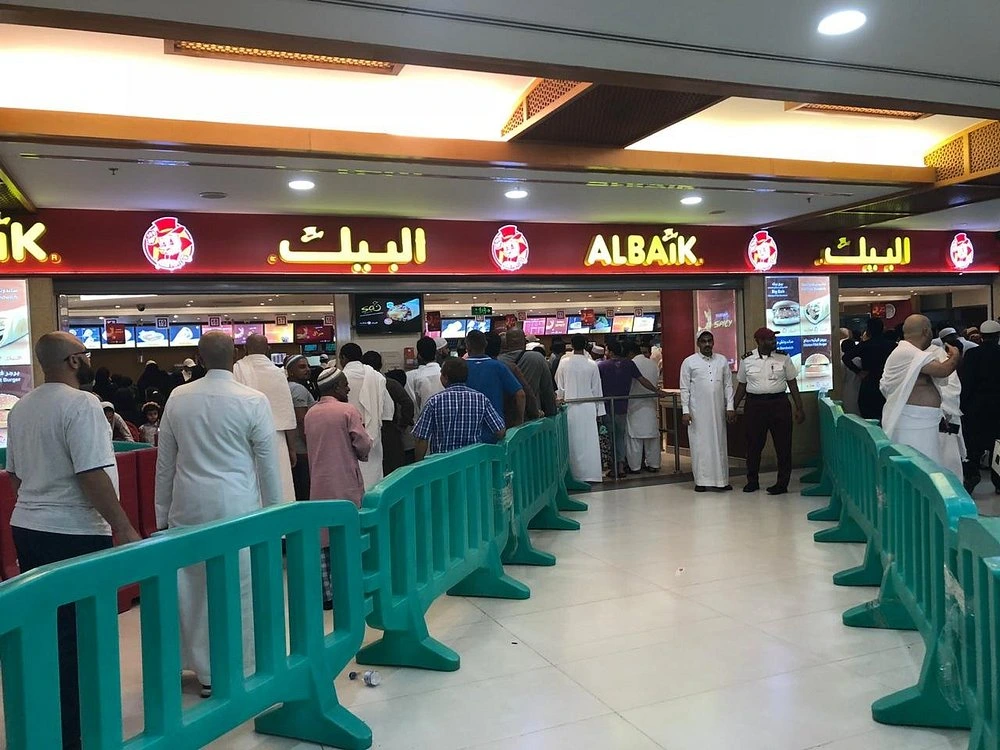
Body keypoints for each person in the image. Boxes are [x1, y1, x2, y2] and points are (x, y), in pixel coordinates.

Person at [7, 331, 141, 749]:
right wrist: (122, 525)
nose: (87, 361)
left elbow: (15, 474)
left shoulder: (21, 407)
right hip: (76, 532)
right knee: (82, 637)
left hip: (28, 527)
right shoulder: (81, 404)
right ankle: (75, 731)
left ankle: (48, 724)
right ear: (71, 361)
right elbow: (91, 473)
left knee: (47, 631)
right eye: (84, 355)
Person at [155, 331, 281, 698]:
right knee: (239, 587)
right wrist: (274, 514)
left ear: (199, 356)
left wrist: (161, 514)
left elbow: (165, 463)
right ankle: (238, 667)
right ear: (236, 355)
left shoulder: (178, 398)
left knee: (191, 587)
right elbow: (268, 465)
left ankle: (201, 668)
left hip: (188, 504)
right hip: (237, 507)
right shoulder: (253, 400)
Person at [304, 367, 373, 608]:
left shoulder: (311, 413)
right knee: (349, 534)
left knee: (324, 537)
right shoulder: (347, 410)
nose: (348, 388)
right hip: (345, 481)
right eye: (344, 385)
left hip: (319, 484)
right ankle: (350, 587)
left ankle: (328, 594)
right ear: (335, 388)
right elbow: (362, 443)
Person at [880, 315, 963, 478]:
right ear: (926, 331)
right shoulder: (906, 352)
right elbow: (943, 370)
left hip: (923, 422)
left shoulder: (912, 353)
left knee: (928, 466)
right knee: (919, 470)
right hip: (911, 423)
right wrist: (955, 356)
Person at [733, 327, 804, 495]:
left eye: (774, 338)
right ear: (759, 341)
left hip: (779, 403)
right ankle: (752, 481)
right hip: (755, 405)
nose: (773, 342)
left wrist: (799, 408)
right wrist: (732, 408)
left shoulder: (784, 357)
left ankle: (782, 483)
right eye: (769, 339)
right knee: (753, 445)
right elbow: (742, 386)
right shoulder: (747, 359)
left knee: (783, 445)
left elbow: (792, 384)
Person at [234, 334, 298, 503]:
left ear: (244, 349)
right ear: (268, 349)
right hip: (276, 438)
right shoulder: (278, 373)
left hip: (245, 438)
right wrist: (292, 448)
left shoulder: (237, 369)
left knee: (252, 485)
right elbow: (287, 414)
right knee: (280, 482)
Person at [597, 339, 667, 479]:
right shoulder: (629, 364)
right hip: (623, 406)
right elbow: (642, 380)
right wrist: (656, 391)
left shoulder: (602, 366)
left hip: (606, 407)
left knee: (611, 437)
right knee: (621, 437)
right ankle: (621, 466)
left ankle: (615, 467)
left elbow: (596, 385)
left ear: (610, 352)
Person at [412, 357, 505, 458]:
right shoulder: (481, 399)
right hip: (472, 461)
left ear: (445, 377)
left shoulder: (434, 401)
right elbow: (500, 431)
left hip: (442, 464)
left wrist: (419, 464)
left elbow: (421, 438)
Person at [680, 331, 736, 491]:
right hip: (697, 413)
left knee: (719, 444)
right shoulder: (689, 362)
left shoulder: (722, 360)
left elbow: (728, 385)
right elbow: (685, 388)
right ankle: (701, 481)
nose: (707, 344)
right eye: (703, 341)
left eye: (709, 341)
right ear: (698, 343)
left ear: (713, 342)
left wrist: (730, 407)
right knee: (700, 445)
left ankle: (722, 481)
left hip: (718, 412)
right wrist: (685, 410)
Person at [340, 342, 394, 489]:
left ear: (343, 358)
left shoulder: (340, 377)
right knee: (372, 480)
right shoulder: (377, 377)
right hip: (373, 439)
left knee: (349, 483)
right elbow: (389, 411)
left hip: (345, 438)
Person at [556, 334, 605, 483]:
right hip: (588, 407)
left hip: (570, 407)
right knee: (589, 441)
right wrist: (600, 411)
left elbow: (560, 387)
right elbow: (597, 389)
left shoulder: (564, 363)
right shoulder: (592, 364)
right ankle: (591, 473)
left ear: (571, 344)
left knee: (572, 441)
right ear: (585, 345)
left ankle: (573, 474)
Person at [959, 320, 1000, 493]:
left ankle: (972, 474)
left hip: (975, 406)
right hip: (998, 405)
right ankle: (998, 482)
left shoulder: (972, 355)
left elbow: (966, 382)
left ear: (981, 337)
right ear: (998, 336)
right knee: (997, 445)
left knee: (973, 444)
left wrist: (963, 405)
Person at [464, 329, 524, 439]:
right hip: (495, 433)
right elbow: (520, 394)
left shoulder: (460, 367)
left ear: (467, 346)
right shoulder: (499, 367)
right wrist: (519, 421)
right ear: (485, 344)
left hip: (467, 433)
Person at [362, 350, 414, 475]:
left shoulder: (361, 384)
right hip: (390, 430)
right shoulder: (390, 383)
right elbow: (408, 403)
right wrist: (402, 425)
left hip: (366, 431)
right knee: (394, 471)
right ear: (380, 365)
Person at [842, 317, 896, 421]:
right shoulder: (892, 345)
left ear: (868, 330)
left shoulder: (864, 345)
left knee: (868, 416)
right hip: (887, 381)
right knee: (886, 415)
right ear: (883, 329)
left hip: (869, 381)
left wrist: (858, 372)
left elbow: (846, 358)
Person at [624, 340, 663, 474]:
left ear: (630, 353)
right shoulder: (653, 365)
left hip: (634, 406)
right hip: (650, 406)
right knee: (652, 438)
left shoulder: (631, 364)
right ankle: (654, 464)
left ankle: (635, 466)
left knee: (634, 439)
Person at [501, 327, 558, 418]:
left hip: (506, 417)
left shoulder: (499, 361)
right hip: (533, 416)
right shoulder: (537, 358)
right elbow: (547, 390)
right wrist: (552, 414)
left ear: (506, 343)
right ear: (525, 341)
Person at [486, 330, 537, 426]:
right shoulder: (505, 366)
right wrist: (522, 420)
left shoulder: (466, 366)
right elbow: (522, 394)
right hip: (506, 422)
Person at [284, 354, 317, 500]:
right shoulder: (298, 389)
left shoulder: (287, 387)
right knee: (305, 492)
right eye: (302, 367)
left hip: (294, 448)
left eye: (308, 366)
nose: (307, 370)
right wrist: (310, 447)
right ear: (290, 371)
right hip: (302, 450)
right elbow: (302, 420)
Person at [386, 368, 417, 465]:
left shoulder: (399, 401)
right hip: (411, 442)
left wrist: (400, 427)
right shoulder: (409, 396)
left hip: (404, 443)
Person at [840, 332, 862, 416]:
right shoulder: (860, 360)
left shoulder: (842, 363)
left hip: (847, 392)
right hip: (860, 390)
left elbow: (841, 378)